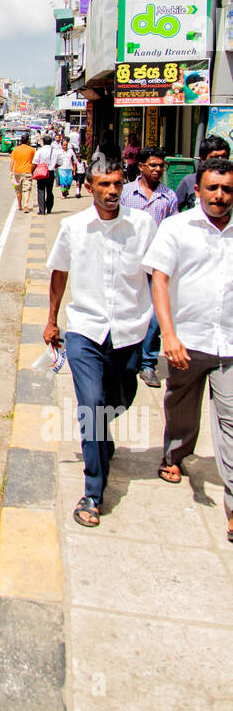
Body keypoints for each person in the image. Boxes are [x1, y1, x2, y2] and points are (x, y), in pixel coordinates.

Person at [44, 158, 157, 527]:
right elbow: (59, 273)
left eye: (117, 184)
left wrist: (165, 327)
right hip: (85, 330)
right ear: (89, 187)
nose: (111, 191)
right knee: (91, 407)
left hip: (129, 331)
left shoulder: (143, 226)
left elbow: (159, 277)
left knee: (120, 398)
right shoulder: (73, 227)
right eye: (104, 184)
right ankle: (94, 491)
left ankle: (101, 438)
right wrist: (52, 321)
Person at [144, 158, 233, 542]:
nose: (220, 196)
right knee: (180, 407)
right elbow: (160, 280)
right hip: (187, 342)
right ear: (197, 191)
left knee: (230, 425)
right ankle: (175, 455)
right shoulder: (177, 227)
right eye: (213, 188)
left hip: (229, 344)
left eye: (227, 189)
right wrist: (168, 334)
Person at [119, 147, 178, 388]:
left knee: (154, 315)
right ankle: (126, 358)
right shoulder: (125, 193)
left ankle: (147, 364)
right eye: (153, 165)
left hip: (157, 264)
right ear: (141, 166)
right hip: (129, 261)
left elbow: (172, 231)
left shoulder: (169, 197)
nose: (158, 170)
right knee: (129, 311)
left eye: (161, 166)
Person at [176, 136, 230, 212]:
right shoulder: (189, 181)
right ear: (202, 159)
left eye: (224, 157)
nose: (220, 162)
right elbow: (174, 209)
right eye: (215, 157)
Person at [32, 133, 58, 215]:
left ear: (43, 142)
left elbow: (35, 162)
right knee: (49, 190)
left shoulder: (39, 151)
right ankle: (49, 208)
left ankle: (42, 210)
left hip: (41, 172)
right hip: (50, 172)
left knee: (41, 190)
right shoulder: (56, 152)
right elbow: (59, 163)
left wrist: (32, 172)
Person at [9, 133, 34, 213]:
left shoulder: (16, 149)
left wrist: (11, 171)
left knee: (18, 190)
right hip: (28, 171)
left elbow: (12, 161)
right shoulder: (32, 150)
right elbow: (34, 161)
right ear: (28, 141)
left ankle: (19, 205)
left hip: (17, 171)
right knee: (27, 189)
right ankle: (26, 204)